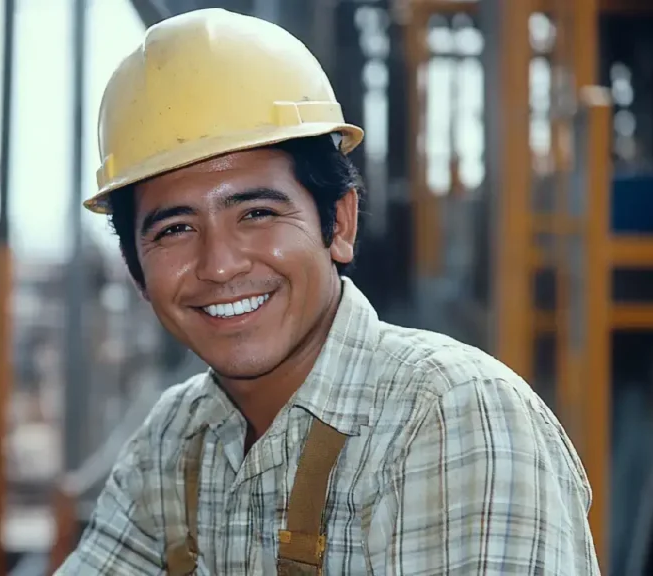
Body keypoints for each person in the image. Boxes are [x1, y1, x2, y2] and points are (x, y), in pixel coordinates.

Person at [56, 8, 599, 575]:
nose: (219, 265)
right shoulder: (176, 441)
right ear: (135, 267)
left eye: (257, 212)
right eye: (175, 229)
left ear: (338, 223)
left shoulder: (450, 417)